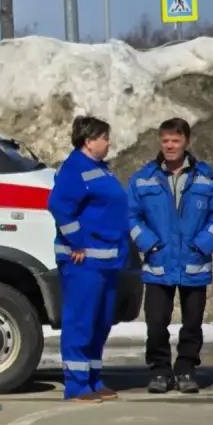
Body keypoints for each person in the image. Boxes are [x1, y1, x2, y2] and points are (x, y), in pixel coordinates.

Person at [127, 117, 213, 394]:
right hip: (158, 264)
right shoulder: (143, 179)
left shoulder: (207, 177)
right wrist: (148, 243)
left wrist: (204, 243)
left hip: (194, 262)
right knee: (156, 324)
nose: (170, 146)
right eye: (165, 140)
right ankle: (160, 371)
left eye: (175, 140)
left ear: (186, 142)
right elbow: (130, 216)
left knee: (191, 325)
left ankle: (187, 369)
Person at [48, 115, 129, 402]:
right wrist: (77, 242)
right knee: (80, 321)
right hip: (85, 263)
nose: (108, 143)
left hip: (106, 262)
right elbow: (58, 205)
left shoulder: (99, 169)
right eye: (104, 138)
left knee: (100, 322)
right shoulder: (75, 168)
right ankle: (76, 384)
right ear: (89, 140)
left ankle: (93, 379)